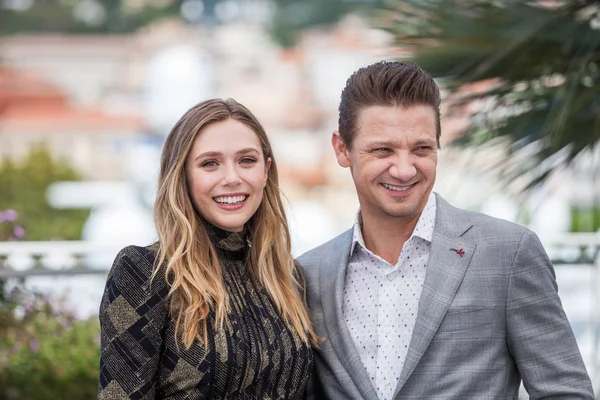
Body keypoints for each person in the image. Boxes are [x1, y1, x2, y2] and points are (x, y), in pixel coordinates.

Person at [298, 61, 594, 399]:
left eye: (421, 149)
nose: (405, 169)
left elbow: (565, 392)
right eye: (383, 150)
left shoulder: (509, 253)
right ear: (342, 149)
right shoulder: (310, 274)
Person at [97, 98, 317, 399]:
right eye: (210, 163)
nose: (232, 178)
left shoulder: (288, 277)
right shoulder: (145, 272)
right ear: (183, 175)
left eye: (247, 160)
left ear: (265, 171)